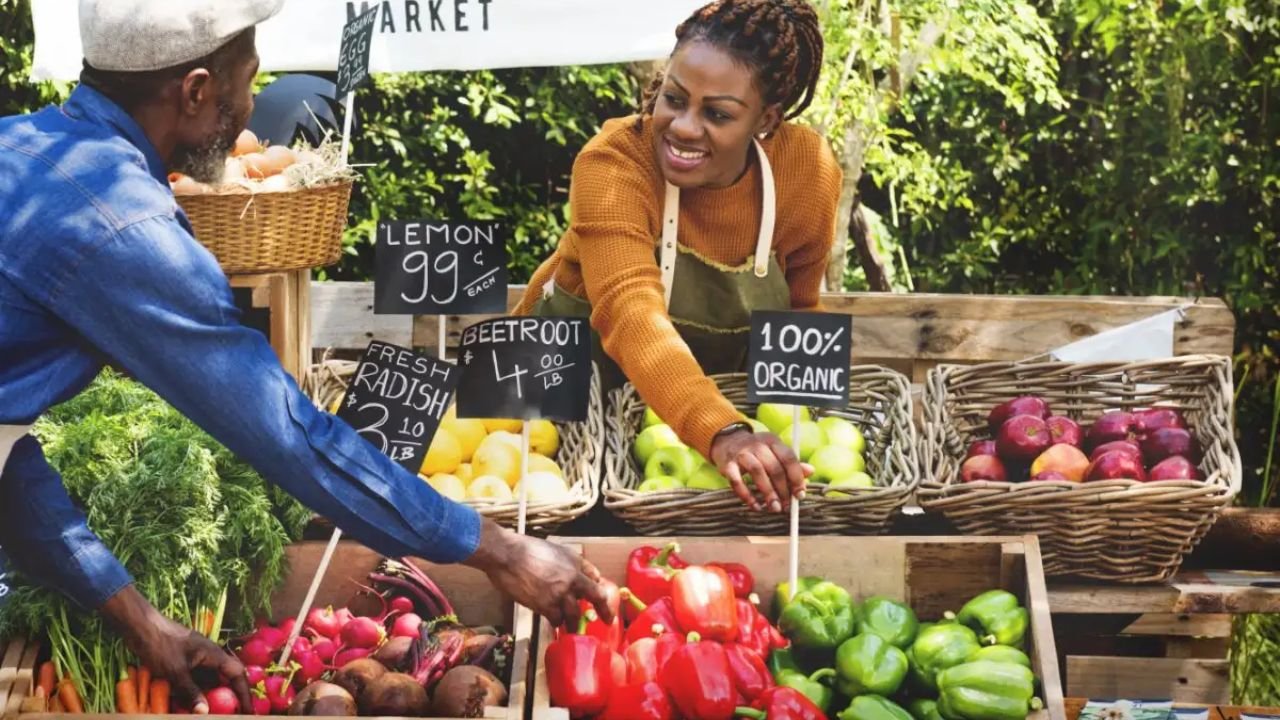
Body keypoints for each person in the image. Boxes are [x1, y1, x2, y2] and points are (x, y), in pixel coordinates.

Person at [0, 0, 610, 713]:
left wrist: (139, 620)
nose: (252, 103)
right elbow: (291, 438)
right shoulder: (125, 229)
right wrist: (501, 550)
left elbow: (7, 452)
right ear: (196, 91)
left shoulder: (19, 146)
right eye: (249, 80)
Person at [517, 0, 842, 514]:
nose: (685, 127)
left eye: (717, 114)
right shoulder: (614, 161)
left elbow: (798, 315)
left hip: (689, 444)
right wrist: (723, 431)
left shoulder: (806, 171)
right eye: (674, 99)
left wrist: (808, 438)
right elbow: (629, 309)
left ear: (766, 119)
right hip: (553, 426)